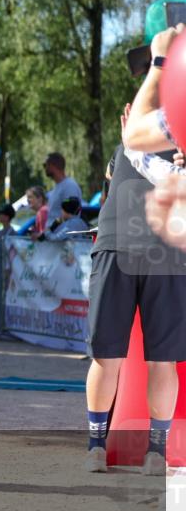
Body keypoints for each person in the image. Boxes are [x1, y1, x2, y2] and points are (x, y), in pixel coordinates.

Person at [83, 23, 186, 476]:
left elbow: (138, 148)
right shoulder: (137, 121)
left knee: (161, 357)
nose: (152, 73)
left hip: (166, 247)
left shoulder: (153, 124)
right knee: (107, 353)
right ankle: (95, 444)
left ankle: (156, 450)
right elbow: (119, 169)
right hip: (119, 242)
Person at [43, 152, 82, 223]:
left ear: (53, 165)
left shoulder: (69, 186)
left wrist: (51, 230)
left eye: (45, 165)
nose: (44, 168)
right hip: (53, 233)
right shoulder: (57, 187)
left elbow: (71, 216)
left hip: (62, 233)